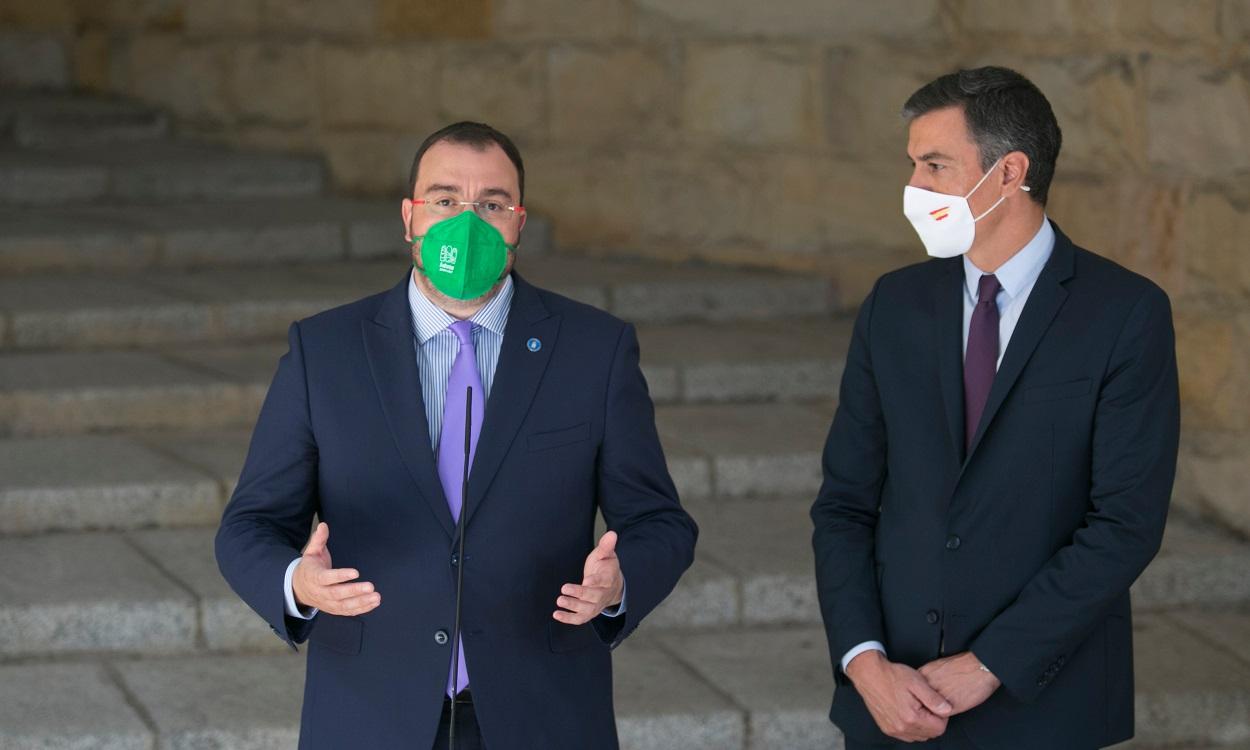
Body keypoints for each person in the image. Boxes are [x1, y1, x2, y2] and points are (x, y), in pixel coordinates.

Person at [216, 121, 697, 750]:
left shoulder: (594, 350)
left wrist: (620, 583)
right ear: (410, 217)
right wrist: (296, 584)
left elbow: (661, 521)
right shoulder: (325, 351)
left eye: (491, 205)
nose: (465, 223)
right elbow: (248, 525)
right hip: (370, 714)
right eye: (444, 200)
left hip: (543, 712)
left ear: (519, 222)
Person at [811, 66, 1179, 750]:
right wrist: (864, 662)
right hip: (892, 701)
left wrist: (991, 663)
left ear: (1010, 173)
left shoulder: (1125, 313)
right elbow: (844, 505)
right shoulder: (894, 304)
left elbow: (1125, 523)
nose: (914, 188)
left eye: (935, 165)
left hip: (1045, 704)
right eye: (913, 164)